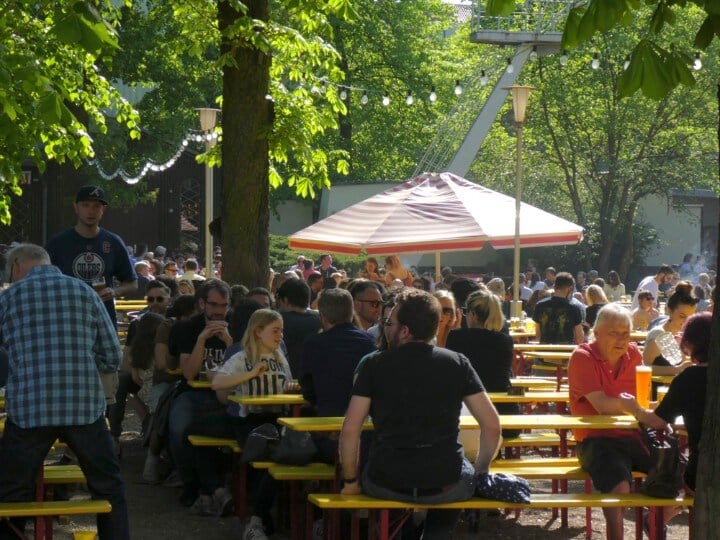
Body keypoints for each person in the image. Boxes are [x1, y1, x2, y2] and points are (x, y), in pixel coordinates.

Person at [339, 289, 502, 539]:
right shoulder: (457, 362)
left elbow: (351, 430)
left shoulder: (373, 365)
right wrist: (481, 470)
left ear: (405, 331)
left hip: (386, 480)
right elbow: (491, 425)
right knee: (465, 472)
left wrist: (350, 482)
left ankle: (404, 532)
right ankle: (436, 532)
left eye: (389, 322)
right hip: (445, 482)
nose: (385, 326)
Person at [0, 244, 129, 540]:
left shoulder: (8, 298)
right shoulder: (85, 293)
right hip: (84, 407)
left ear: (18, 265)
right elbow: (112, 355)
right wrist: (80, 360)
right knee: (109, 487)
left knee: (11, 490)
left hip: (30, 410)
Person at [567, 304, 660, 540]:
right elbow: (602, 405)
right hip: (594, 440)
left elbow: (639, 402)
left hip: (631, 436)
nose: (621, 340)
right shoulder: (583, 356)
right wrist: (636, 409)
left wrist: (656, 408)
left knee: (679, 474)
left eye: (625, 333)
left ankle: (655, 522)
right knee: (619, 485)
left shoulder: (635, 355)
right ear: (597, 333)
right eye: (613, 333)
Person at [212, 309, 294, 536]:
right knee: (270, 457)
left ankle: (259, 517)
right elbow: (217, 383)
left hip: (277, 419)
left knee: (289, 456)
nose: (280, 336)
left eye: (282, 331)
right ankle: (257, 519)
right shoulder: (242, 357)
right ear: (258, 331)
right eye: (275, 331)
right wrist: (249, 375)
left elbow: (286, 385)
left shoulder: (280, 357)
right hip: (248, 421)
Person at [169, 279, 232, 506]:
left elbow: (243, 366)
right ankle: (191, 484)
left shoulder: (234, 326)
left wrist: (229, 343)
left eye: (224, 306)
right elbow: (188, 373)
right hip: (193, 393)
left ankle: (214, 486)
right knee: (178, 427)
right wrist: (202, 340)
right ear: (202, 304)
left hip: (225, 394)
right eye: (214, 305)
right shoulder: (189, 328)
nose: (219, 311)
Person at [636, 311, 712, 491]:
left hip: (703, 470)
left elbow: (658, 421)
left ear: (691, 343)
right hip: (705, 468)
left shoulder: (689, 378)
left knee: (678, 476)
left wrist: (634, 408)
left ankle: (655, 519)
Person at [301, 288, 376, 461]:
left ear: (323, 317)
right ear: (351, 313)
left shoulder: (313, 344)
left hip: (328, 431)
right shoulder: (370, 343)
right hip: (366, 433)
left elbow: (308, 391)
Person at [46, 185, 137, 326]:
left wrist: (114, 291)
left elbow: (132, 283)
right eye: (85, 205)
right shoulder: (58, 242)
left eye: (96, 206)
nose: (91, 211)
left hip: (102, 319)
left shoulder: (113, 242)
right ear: (76, 208)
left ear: (103, 210)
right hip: (66, 319)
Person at [446, 289, 520, 438]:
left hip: (467, 412)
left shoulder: (456, 337)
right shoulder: (505, 340)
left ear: (472, 314)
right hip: (502, 414)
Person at [642, 281, 697, 376]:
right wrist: (676, 370)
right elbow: (643, 367)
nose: (686, 321)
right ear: (670, 311)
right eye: (682, 316)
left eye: (689, 317)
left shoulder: (680, 334)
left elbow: (679, 362)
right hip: (657, 389)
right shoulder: (659, 335)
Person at [275, 278, 321, 377]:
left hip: (284, 378)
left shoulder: (274, 321)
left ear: (285, 300)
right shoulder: (321, 320)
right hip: (315, 378)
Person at [532, 272, 584, 345]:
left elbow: (538, 335)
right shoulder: (574, 308)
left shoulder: (539, 306)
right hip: (566, 353)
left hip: (543, 353)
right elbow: (579, 338)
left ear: (554, 287)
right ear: (570, 288)